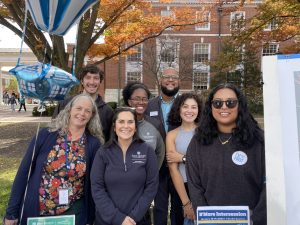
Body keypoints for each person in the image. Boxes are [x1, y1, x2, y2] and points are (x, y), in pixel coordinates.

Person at [4, 94, 104, 225]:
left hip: (72, 214)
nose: (82, 113)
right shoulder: (46, 135)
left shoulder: (94, 144)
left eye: (87, 110)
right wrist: (12, 212)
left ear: (92, 115)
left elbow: (95, 183)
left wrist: (90, 217)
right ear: (70, 110)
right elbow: (23, 173)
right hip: (37, 212)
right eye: (78, 108)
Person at [186, 83, 266, 225]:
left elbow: (269, 184)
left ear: (239, 105)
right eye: (217, 103)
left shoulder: (258, 140)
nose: (223, 107)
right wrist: (205, 219)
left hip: (251, 220)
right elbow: (194, 185)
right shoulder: (198, 141)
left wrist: (257, 220)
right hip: (211, 220)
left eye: (230, 103)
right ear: (211, 107)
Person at [91, 107, 159, 225]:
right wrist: (118, 219)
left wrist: (133, 218)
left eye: (130, 122)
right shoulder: (103, 152)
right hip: (107, 221)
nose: (126, 126)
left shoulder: (147, 150)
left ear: (136, 126)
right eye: (121, 122)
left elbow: (151, 186)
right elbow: (97, 188)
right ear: (114, 126)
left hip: (137, 220)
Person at [144, 67, 180, 225]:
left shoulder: (186, 105)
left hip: (180, 164)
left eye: (174, 77)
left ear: (179, 81)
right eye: (167, 77)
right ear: (160, 80)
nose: (170, 80)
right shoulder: (149, 105)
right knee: (160, 207)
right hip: (157, 166)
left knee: (179, 206)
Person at [52, 64, 114, 142]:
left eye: (96, 78)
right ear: (82, 81)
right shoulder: (64, 104)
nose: (92, 82)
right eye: (88, 78)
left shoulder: (107, 112)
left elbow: (109, 141)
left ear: (100, 81)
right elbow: (53, 130)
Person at [166, 93, 202, 224]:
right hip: (181, 189)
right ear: (179, 109)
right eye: (185, 106)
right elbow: (173, 170)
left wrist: (183, 158)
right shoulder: (171, 135)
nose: (189, 111)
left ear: (199, 110)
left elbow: (205, 163)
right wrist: (186, 203)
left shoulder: (205, 133)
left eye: (194, 107)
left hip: (203, 188)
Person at [122, 81, 165, 169]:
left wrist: (153, 173)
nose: (141, 102)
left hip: (149, 178)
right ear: (129, 102)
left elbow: (160, 154)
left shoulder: (155, 124)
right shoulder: (119, 124)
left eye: (144, 99)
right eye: (137, 99)